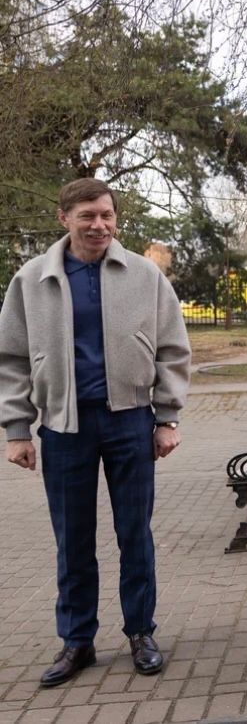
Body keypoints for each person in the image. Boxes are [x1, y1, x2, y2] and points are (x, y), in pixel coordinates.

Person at [0, 178, 190, 687]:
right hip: (64, 427)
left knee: (135, 534)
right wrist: (17, 429)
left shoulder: (144, 275)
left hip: (130, 421)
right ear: (64, 218)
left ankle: (141, 633)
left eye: (106, 215)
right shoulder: (32, 279)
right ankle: (77, 640)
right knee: (73, 539)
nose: (98, 225)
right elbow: (11, 359)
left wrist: (167, 418)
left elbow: (172, 348)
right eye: (87, 215)